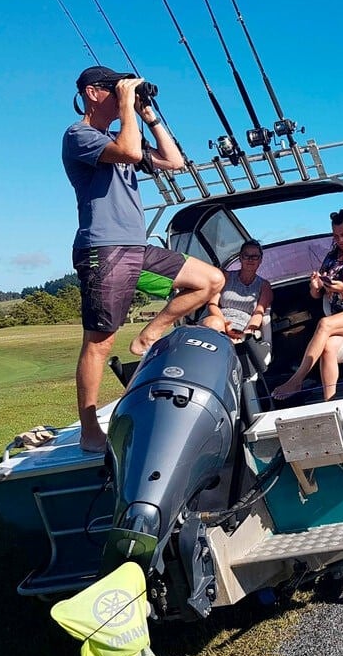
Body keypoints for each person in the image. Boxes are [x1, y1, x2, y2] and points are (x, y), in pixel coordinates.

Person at [64, 66, 224, 453]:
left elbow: (174, 162)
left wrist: (148, 114)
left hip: (135, 247)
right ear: (92, 93)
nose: (123, 94)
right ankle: (89, 430)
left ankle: (148, 337)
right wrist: (128, 106)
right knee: (99, 343)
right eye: (113, 88)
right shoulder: (80, 136)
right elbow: (131, 151)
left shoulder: (120, 135)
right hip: (103, 249)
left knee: (211, 280)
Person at [272, 209, 343, 401]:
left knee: (324, 324)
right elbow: (316, 294)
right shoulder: (331, 257)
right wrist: (315, 286)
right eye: (335, 236)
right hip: (341, 316)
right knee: (328, 348)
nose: (339, 240)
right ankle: (330, 401)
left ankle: (296, 381)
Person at [202, 240, 273, 343]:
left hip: (243, 329)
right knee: (214, 324)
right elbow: (212, 304)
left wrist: (246, 333)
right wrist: (225, 325)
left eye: (255, 256)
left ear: (260, 260)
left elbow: (259, 313)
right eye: (246, 255)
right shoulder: (225, 277)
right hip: (218, 321)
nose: (250, 259)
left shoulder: (264, 285)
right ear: (240, 257)